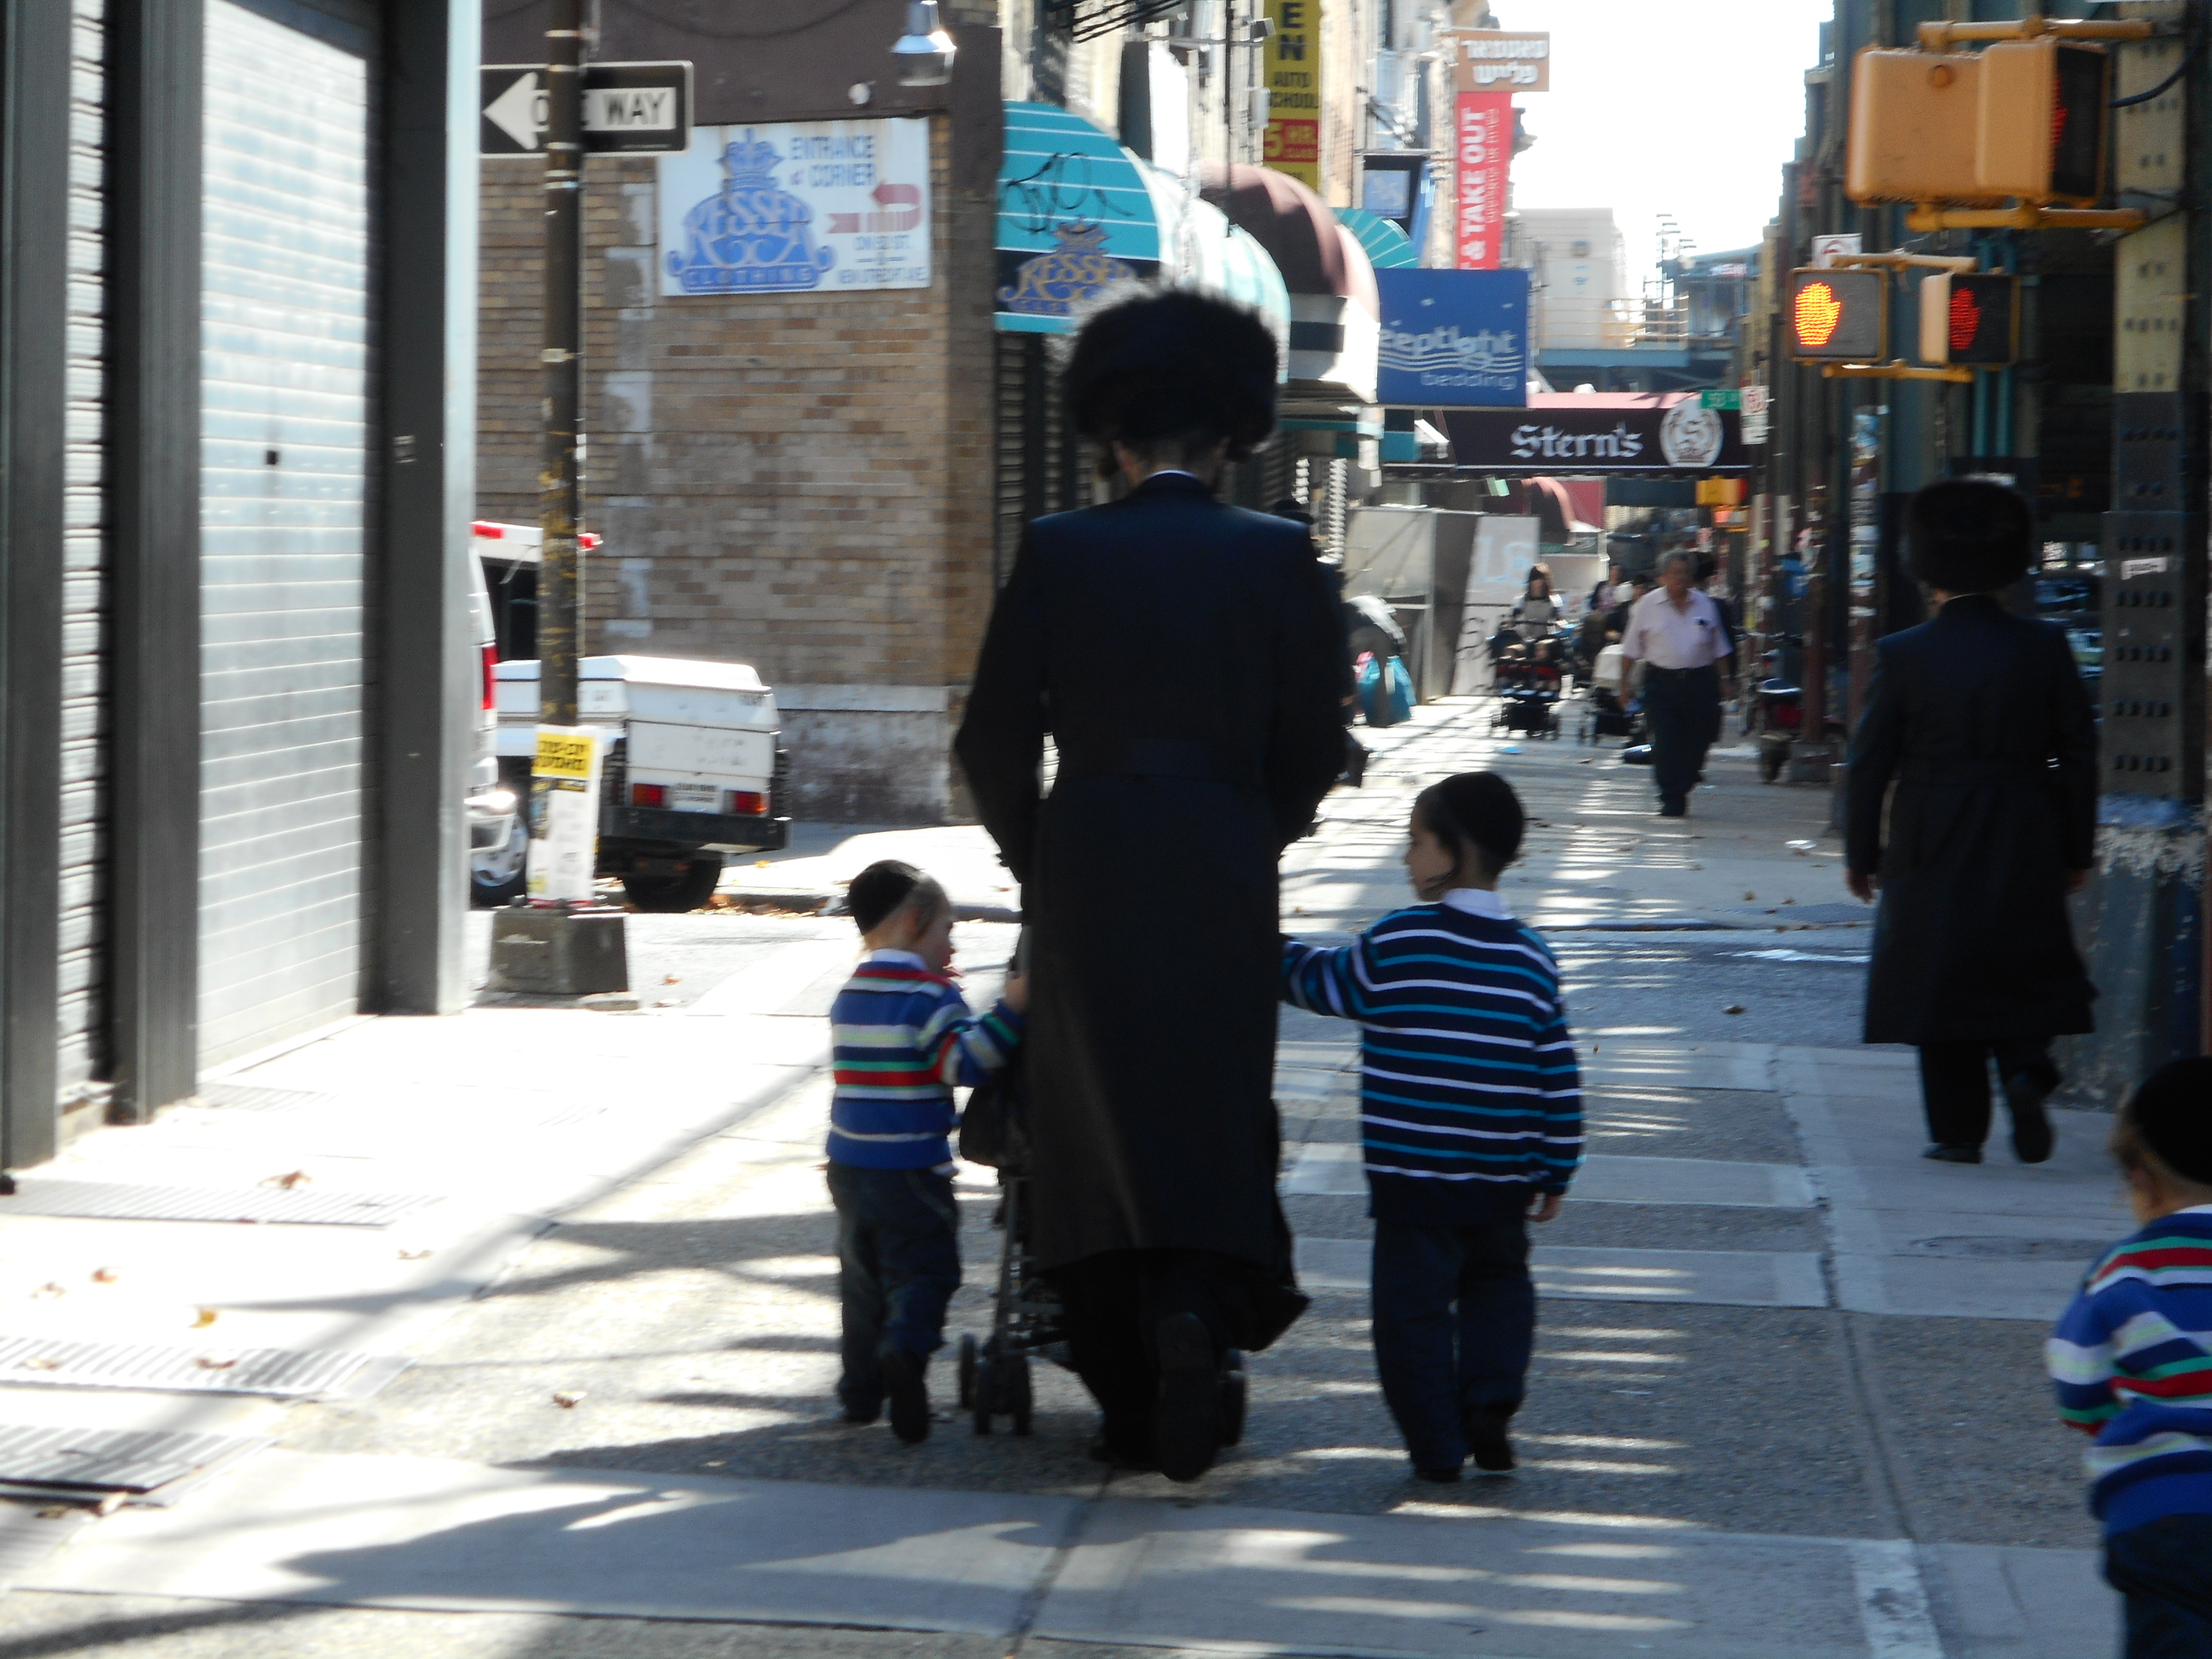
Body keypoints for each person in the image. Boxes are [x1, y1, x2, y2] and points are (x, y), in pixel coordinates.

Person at [954, 289, 1346, 1481]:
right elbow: (1317, 739)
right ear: (1228, 438)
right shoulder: (1278, 554)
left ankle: (1123, 1390)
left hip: (1088, 849)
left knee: (1088, 1111)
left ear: (1114, 441)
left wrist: (1039, 853)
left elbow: (990, 742)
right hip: (1221, 846)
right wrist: (1257, 831)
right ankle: (1194, 1302)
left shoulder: (1059, 549)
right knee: (1211, 1097)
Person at [1280, 773, 1582, 1482]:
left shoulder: (1400, 942)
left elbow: (1320, 982)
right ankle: (1491, 1402)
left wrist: (1258, 945)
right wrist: (1556, 1166)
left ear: (1452, 851)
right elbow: (1558, 1072)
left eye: (1416, 841)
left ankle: (1437, 1447)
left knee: (1410, 1319)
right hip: (1502, 1179)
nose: (1405, 856)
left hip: (1413, 1182)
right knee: (1498, 1291)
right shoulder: (1532, 958)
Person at [1845, 480, 2095, 1165]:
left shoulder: (1903, 654)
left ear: (1930, 573)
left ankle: (1958, 1132)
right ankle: (2024, 1067)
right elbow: (2078, 752)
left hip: (1932, 824)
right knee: (2020, 956)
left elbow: (1869, 764)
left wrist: (1862, 853)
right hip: (2026, 821)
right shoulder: (2044, 646)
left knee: (1940, 968)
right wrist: (2076, 847)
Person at [826, 860, 1026, 1443]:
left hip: (848, 1166)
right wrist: (1011, 1009)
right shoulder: (931, 996)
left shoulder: (850, 994)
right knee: (925, 1270)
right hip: (911, 1169)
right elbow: (967, 1063)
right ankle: (905, 1351)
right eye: (947, 930)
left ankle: (860, 1393)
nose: (952, 945)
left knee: (862, 1283)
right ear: (915, 923)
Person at [2046, 1059, 2212, 1656]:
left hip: (2163, 1511)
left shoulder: (2125, 1269)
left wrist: (2105, 1419)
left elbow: (2079, 1388)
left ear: (2140, 1175)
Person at [1620, 551, 1733, 816]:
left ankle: (1684, 782)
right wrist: (1624, 685)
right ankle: (1672, 797)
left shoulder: (1706, 604)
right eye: (1675, 573)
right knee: (1666, 742)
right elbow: (1630, 650)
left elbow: (1719, 648)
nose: (1681, 578)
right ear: (1662, 577)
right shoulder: (1647, 605)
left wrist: (1726, 680)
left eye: (1685, 573)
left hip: (1699, 683)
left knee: (1697, 741)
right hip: (1661, 683)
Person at [1510, 566, 1558, 642]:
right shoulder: (1522, 600)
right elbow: (1513, 620)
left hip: (1547, 640)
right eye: (1535, 580)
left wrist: (1559, 623)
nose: (1538, 584)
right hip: (1526, 639)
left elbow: (1559, 618)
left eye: (1541, 581)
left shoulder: (1553, 600)